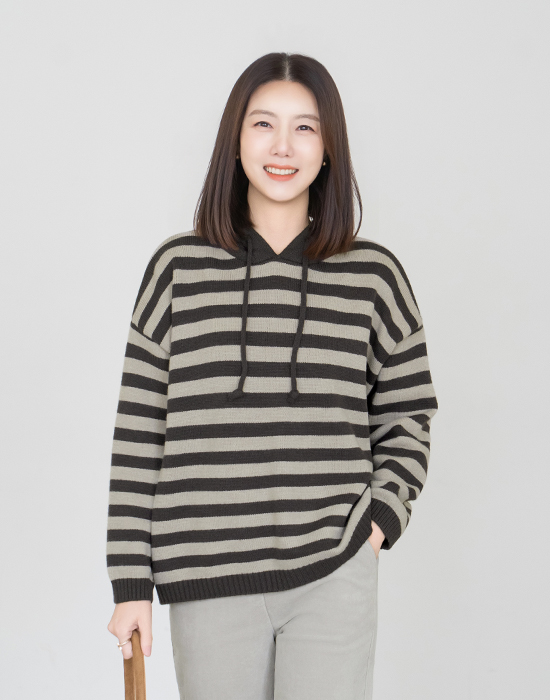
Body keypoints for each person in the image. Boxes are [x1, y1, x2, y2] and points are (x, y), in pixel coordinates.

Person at [106, 51, 438, 700]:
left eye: (305, 127)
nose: (283, 146)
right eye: (263, 124)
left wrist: (379, 520)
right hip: (206, 578)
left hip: (333, 570)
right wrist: (130, 582)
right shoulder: (176, 271)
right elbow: (139, 433)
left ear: (329, 147)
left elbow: (408, 414)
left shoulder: (374, 276)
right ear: (235, 141)